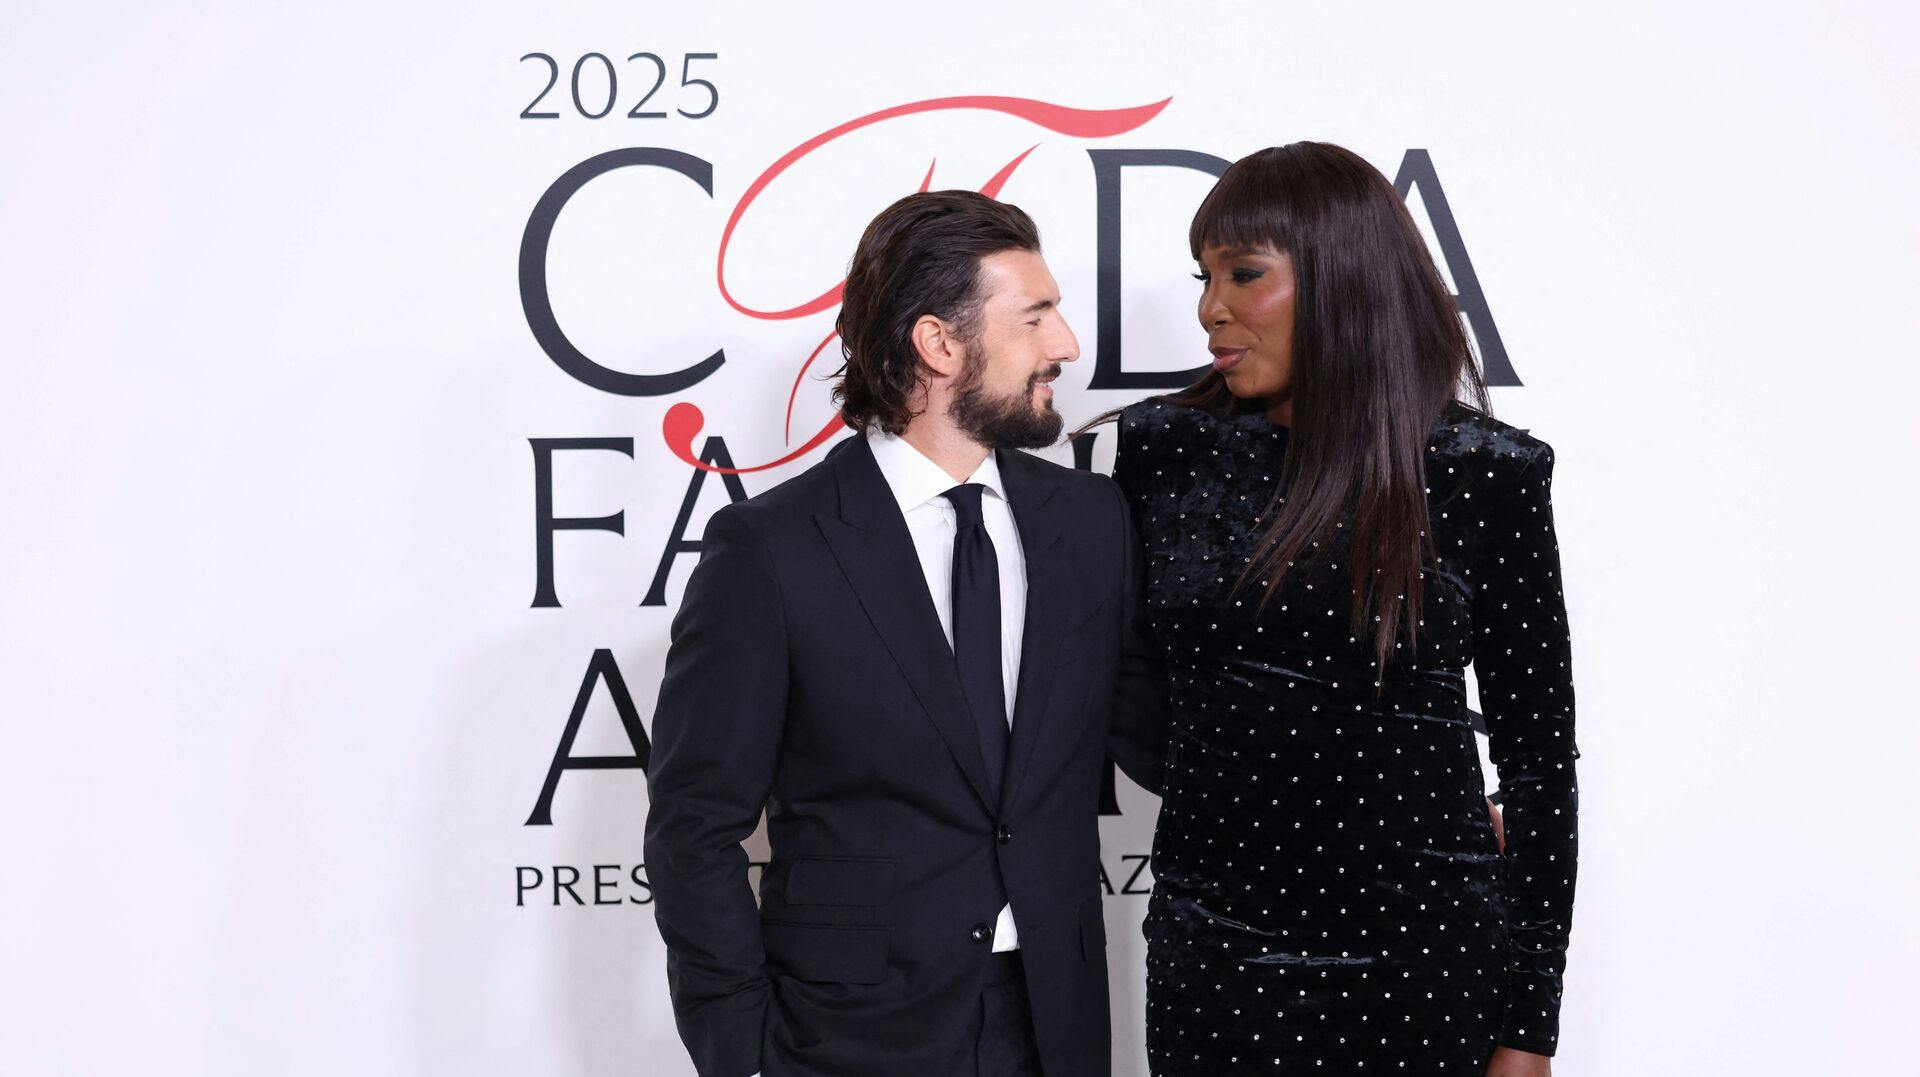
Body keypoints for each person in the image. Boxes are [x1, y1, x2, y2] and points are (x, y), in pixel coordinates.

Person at [644, 190, 1167, 1077]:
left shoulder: (1089, 521)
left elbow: (1162, 741)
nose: (1067, 345)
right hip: (847, 1037)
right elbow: (693, 826)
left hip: (1055, 1022)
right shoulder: (772, 549)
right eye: (1035, 316)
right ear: (939, 343)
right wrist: (744, 1051)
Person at [1096, 143, 1580, 1075]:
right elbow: (1131, 690)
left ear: (1340, 281)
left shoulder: (1485, 472)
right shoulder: (1163, 449)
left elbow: (1539, 760)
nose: (1211, 308)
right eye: (1204, 277)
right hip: (1215, 959)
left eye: (1244, 274)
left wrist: (1530, 1026)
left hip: (1422, 961)